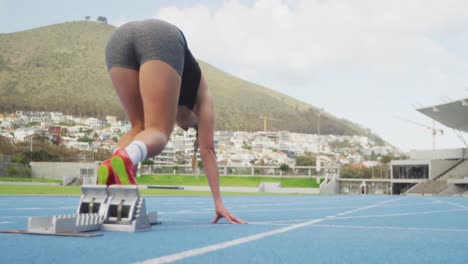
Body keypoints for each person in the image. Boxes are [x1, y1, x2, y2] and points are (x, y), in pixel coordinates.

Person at [98, 19, 246, 224]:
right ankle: (123, 158)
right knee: (158, 131)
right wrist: (218, 202)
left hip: (119, 39)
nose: (184, 128)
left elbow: (142, 138)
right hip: (161, 36)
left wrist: (126, 177)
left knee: (139, 128)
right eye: (192, 128)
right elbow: (208, 150)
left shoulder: (173, 96)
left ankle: (110, 164)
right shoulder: (205, 101)